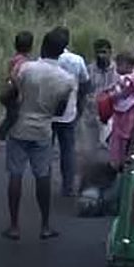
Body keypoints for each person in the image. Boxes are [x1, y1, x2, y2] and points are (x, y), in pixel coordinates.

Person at [2, 30, 73, 241]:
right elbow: (59, 112)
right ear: (61, 52)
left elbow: (11, 94)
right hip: (43, 129)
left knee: (15, 174)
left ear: (42, 46)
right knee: (43, 176)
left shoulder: (26, 68)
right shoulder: (66, 80)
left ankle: (14, 226)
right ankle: (45, 226)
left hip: (20, 126)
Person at [52, 27, 90, 197]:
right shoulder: (76, 60)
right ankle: (67, 187)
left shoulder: (47, 59)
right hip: (69, 112)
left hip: (48, 112)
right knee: (68, 150)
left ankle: (43, 181)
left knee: (46, 149)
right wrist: (79, 105)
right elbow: (85, 84)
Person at [0, 31, 34, 143]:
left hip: (8, 90)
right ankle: (1, 137)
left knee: (12, 115)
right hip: (14, 92)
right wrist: (20, 90)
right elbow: (14, 75)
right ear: (30, 47)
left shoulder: (15, 58)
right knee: (13, 116)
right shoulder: (23, 62)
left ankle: (4, 136)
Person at [82, 39, 120, 150]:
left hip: (110, 114)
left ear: (110, 52)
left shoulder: (117, 70)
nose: (101, 56)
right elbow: (85, 91)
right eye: (98, 52)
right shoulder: (89, 69)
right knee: (89, 148)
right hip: (91, 113)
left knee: (108, 147)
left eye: (104, 52)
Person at [107, 51, 134, 170]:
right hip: (126, 109)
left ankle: (118, 162)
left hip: (127, 110)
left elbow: (121, 93)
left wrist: (110, 95)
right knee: (119, 135)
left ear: (127, 66)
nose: (117, 68)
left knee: (121, 136)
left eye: (119, 65)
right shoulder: (133, 77)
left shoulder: (129, 79)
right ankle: (118, 160)